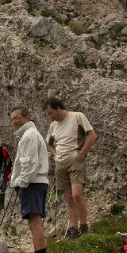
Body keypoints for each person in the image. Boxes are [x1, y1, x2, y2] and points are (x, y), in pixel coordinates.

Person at [43, 97, 97, 239]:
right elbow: (48, 143)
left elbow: (92, 135)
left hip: (75, 159)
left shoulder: (77, 116)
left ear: (58, 108)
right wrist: (55, 154)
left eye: (51, 113)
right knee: (68, 197)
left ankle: (84, 226)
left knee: (77, 194)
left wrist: (81, 154)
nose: (50, 117)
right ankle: (72, 228)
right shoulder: (54, 125)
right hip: (60, 163)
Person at [10, 106, 51, 253]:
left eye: (17, 118)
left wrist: (22, 183)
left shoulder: (29, 136)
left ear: (27, 117)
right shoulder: (30, 135)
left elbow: (30, 162)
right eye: (12, 119)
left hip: (32, 183)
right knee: (35, 221)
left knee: (34, 222)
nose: (14, 122)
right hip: (36, 182)